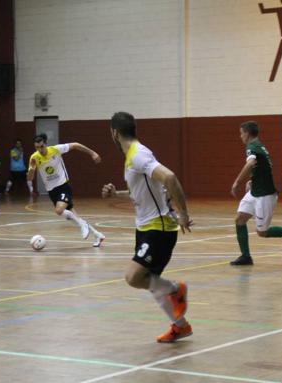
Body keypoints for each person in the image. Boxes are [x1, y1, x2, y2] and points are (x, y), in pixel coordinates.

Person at [102, 112, 192, 343]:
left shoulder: (138, 155)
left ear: (114, 132)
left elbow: (169, 178)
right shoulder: (133, 155)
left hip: (158, 229)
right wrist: (117, 193)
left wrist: (183, 214)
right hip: (146, 228)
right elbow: (143, 191)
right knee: (150, 282)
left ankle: (175, 290)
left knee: (134, 276)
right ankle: (180, 326)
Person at [230, 121, 282, 266]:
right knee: (240, 219)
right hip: (255, 192)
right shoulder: (259, 146)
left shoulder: (252, 147)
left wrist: (237, 182)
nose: (240, 136)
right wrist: (252, 180)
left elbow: (250, 164)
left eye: (241, 133)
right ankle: (246, 256)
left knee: (263, 232)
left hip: (265, 195)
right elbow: (263, 168)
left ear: (247, 134)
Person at [27, 133, 105, 247]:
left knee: (59, 210)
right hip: (51, 191)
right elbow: (29, 179)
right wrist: (32, 169)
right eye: (37, 147)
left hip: (63, 186)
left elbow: (76, 145)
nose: (40, 149)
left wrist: (93, 153)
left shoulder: (55, 150)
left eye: (42, 146)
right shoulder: (34, 157)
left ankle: (82, 225)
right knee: (71, 216)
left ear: (46, 144)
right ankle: (98, 235)